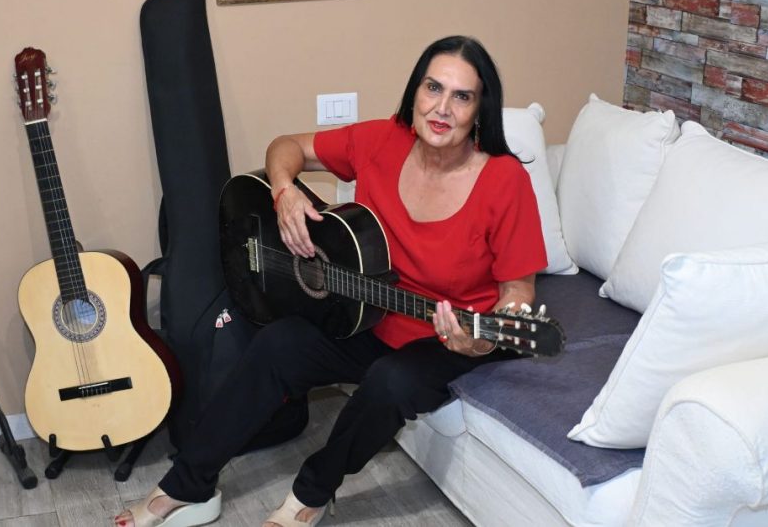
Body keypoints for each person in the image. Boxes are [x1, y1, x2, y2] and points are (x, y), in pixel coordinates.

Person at [114, 34, 547, 527]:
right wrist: (284, 192)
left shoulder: (503, 180)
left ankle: (311, 494)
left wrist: (482, 340)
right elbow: (286, 146)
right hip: (370, 317)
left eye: (461, 96)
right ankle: (187, 486)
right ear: (415, 90)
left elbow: (519, 292)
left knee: (391, 381)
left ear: (480, 109)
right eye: (433, 88)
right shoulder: (382, 140)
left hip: (450, 336)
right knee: (278, 344)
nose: (442, 108)